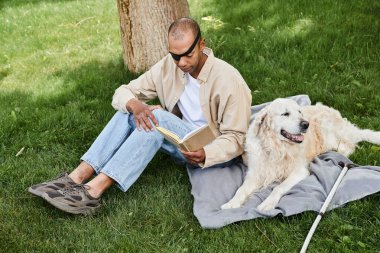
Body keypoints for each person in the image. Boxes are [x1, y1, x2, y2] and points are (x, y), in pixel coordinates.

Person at [28, 17, 252, 215]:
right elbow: (123, 92)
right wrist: (135, 105)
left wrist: (206, 153)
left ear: (202, 45)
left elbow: (236, 138)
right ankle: (75, 178)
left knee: (156, 118)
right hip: (181, 142)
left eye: (188, 55)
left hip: (213, 152)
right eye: (175, 56)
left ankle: (92, 192)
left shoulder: (228, 80)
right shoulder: (169, 67)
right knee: (130, 112)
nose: (181, 63)